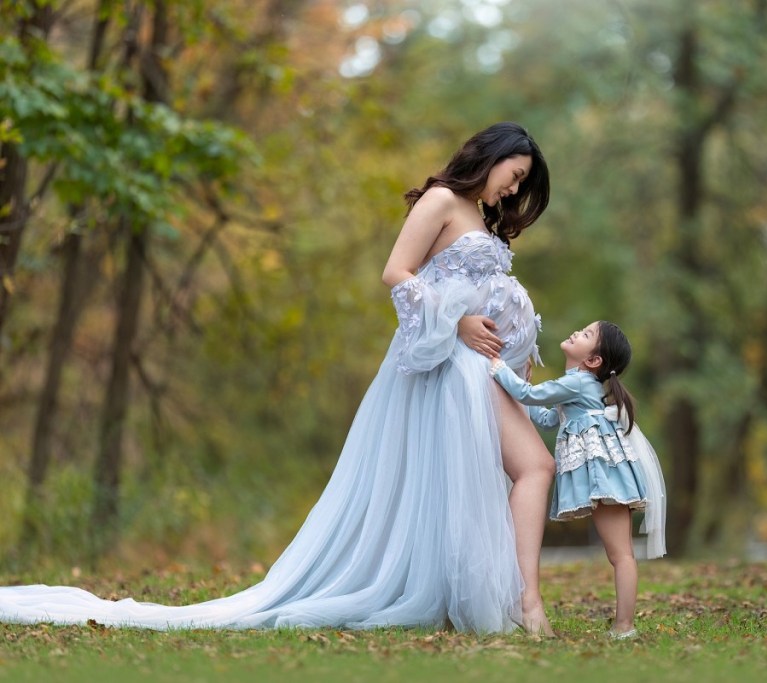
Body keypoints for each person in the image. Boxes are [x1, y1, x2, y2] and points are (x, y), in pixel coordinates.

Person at [0, 122, 555, 635]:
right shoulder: (441, 200)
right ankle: (525, 601)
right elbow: (395, 272)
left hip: (477, 368)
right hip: (452, 361)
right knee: (533, 465)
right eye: (516, 176)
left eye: (522, 183)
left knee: (498, 474)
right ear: (493, 155)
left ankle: (508, 596)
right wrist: (455, 323)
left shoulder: (478, 218)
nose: (513, 190)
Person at [488, 321, 667, 639]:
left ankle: (625, 626)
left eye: (586, 335)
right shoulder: (575, 386)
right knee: (621, 553)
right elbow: (545, 418)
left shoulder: (580, 383)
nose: (575, 333)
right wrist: (522, 391)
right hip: (604, 476)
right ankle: (623, 624)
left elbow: (529, 396)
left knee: (621, 554)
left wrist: (499, 367)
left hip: (605, 476)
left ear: (594, 360)